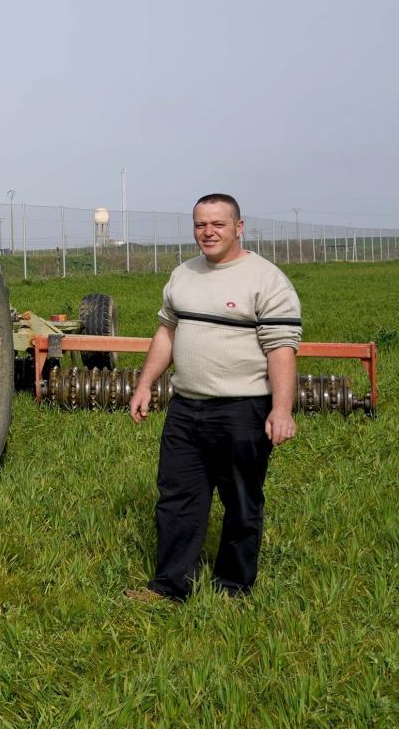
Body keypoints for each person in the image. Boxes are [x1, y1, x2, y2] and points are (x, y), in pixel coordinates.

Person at [126, 193, 302, 602]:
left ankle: (234, 588)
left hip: (242, 409)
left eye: (218, 224)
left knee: (241, 501)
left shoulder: (265, 279)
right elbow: (166, 332)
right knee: (177, 499)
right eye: (200, 224)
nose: (208, 232)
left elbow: (281, 348)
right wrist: (145, 383)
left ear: (239, 228)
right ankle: (169, 586)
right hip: (186, 408)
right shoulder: (183, 275)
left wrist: (281, 409)